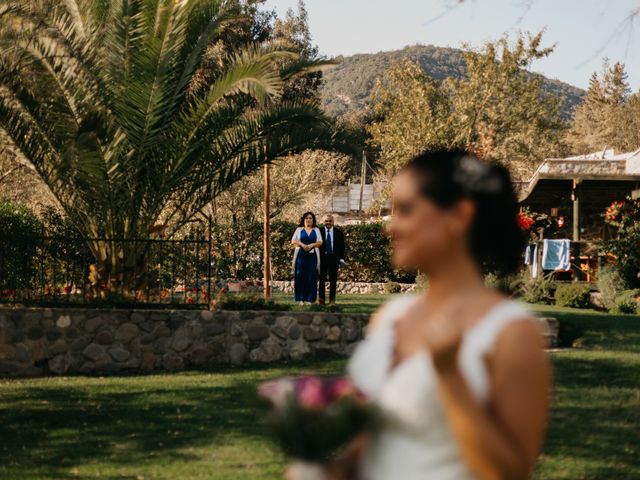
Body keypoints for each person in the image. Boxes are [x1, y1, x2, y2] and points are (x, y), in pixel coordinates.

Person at [324, 150, 551, 479]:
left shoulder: (512, 333)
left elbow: (511, 473)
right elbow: (375, 443)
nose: (391, 226)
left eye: (405, 209)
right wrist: (327, 467)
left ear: (458, 216)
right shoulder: (389, 317)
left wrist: (450, 375)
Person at [291, 212, 323, 305]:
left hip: (312, 256)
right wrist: (302, 245)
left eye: (310, 218)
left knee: (312, 276)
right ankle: (301, 298)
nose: (308, 220)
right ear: (304, 220)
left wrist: (312, 245)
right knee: (300, 275)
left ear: (313, 220)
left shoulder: (316, 230)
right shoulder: (299, 229)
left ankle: (310, 299)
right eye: (307, 218)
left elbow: (320, 242)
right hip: (301, 255)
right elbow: (293, 240)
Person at [318, 214, 346, 305]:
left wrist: (341, 259)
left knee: (333, 280)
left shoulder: (338, 232)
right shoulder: (319, 232)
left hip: (334, 259)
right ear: (324, 222)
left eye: (330, 221)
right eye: (326, 221)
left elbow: (342, 247)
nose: (328, 223)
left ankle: (332, 301)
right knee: (321, 279)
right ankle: (321, 300)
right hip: (322, 259)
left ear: (333, 222)